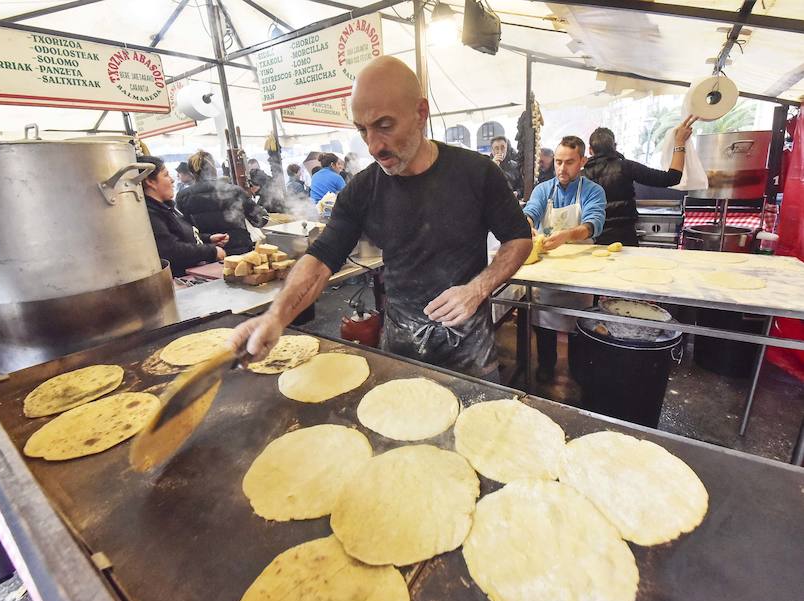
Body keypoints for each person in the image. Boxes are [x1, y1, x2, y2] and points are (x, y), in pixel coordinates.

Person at [230, 56, 532, 381]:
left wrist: (477, 288)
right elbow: (320, 260)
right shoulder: (362, 190)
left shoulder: (477, 172)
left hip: (471, 348)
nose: (374, 146)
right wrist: (276, 316)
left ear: (420, 114)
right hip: (400, 347)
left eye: (385, 126)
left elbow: (519, 238)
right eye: (363, 130)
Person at [522, 136, 606, 383]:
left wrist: (568, 234)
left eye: (569, 162)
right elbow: (531, 211)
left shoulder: (593, 191)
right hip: (548, 271)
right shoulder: (543, 189)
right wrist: (527, 225)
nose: (561, 168)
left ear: (582, 161)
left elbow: (593, 224)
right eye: (558, 161)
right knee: (543, 319)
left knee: (578, 323)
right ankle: (546, 366)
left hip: (579, 269)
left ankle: (578, 370)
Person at [583, 116, 697, 246]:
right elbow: (672, 178)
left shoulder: (582, 176)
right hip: (625, 238)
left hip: (593, 239)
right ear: (614, 146)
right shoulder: (626, 167)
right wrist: (680, 142)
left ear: (590, 150)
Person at [139, 155, 227, 274]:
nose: (172, 180)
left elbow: (181, 235)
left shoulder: (166, 207)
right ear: (150, 182)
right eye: (166, 175)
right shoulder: (150, 214)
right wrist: (211, 251)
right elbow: (171, 249)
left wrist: (208, 239)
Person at [177, 150, 268, 256]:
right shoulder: (234, 191)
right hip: (240, 252)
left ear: (192, 173)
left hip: (209, 254)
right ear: (213, 169)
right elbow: (260, 219)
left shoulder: (183, 196)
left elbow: (188, 232)